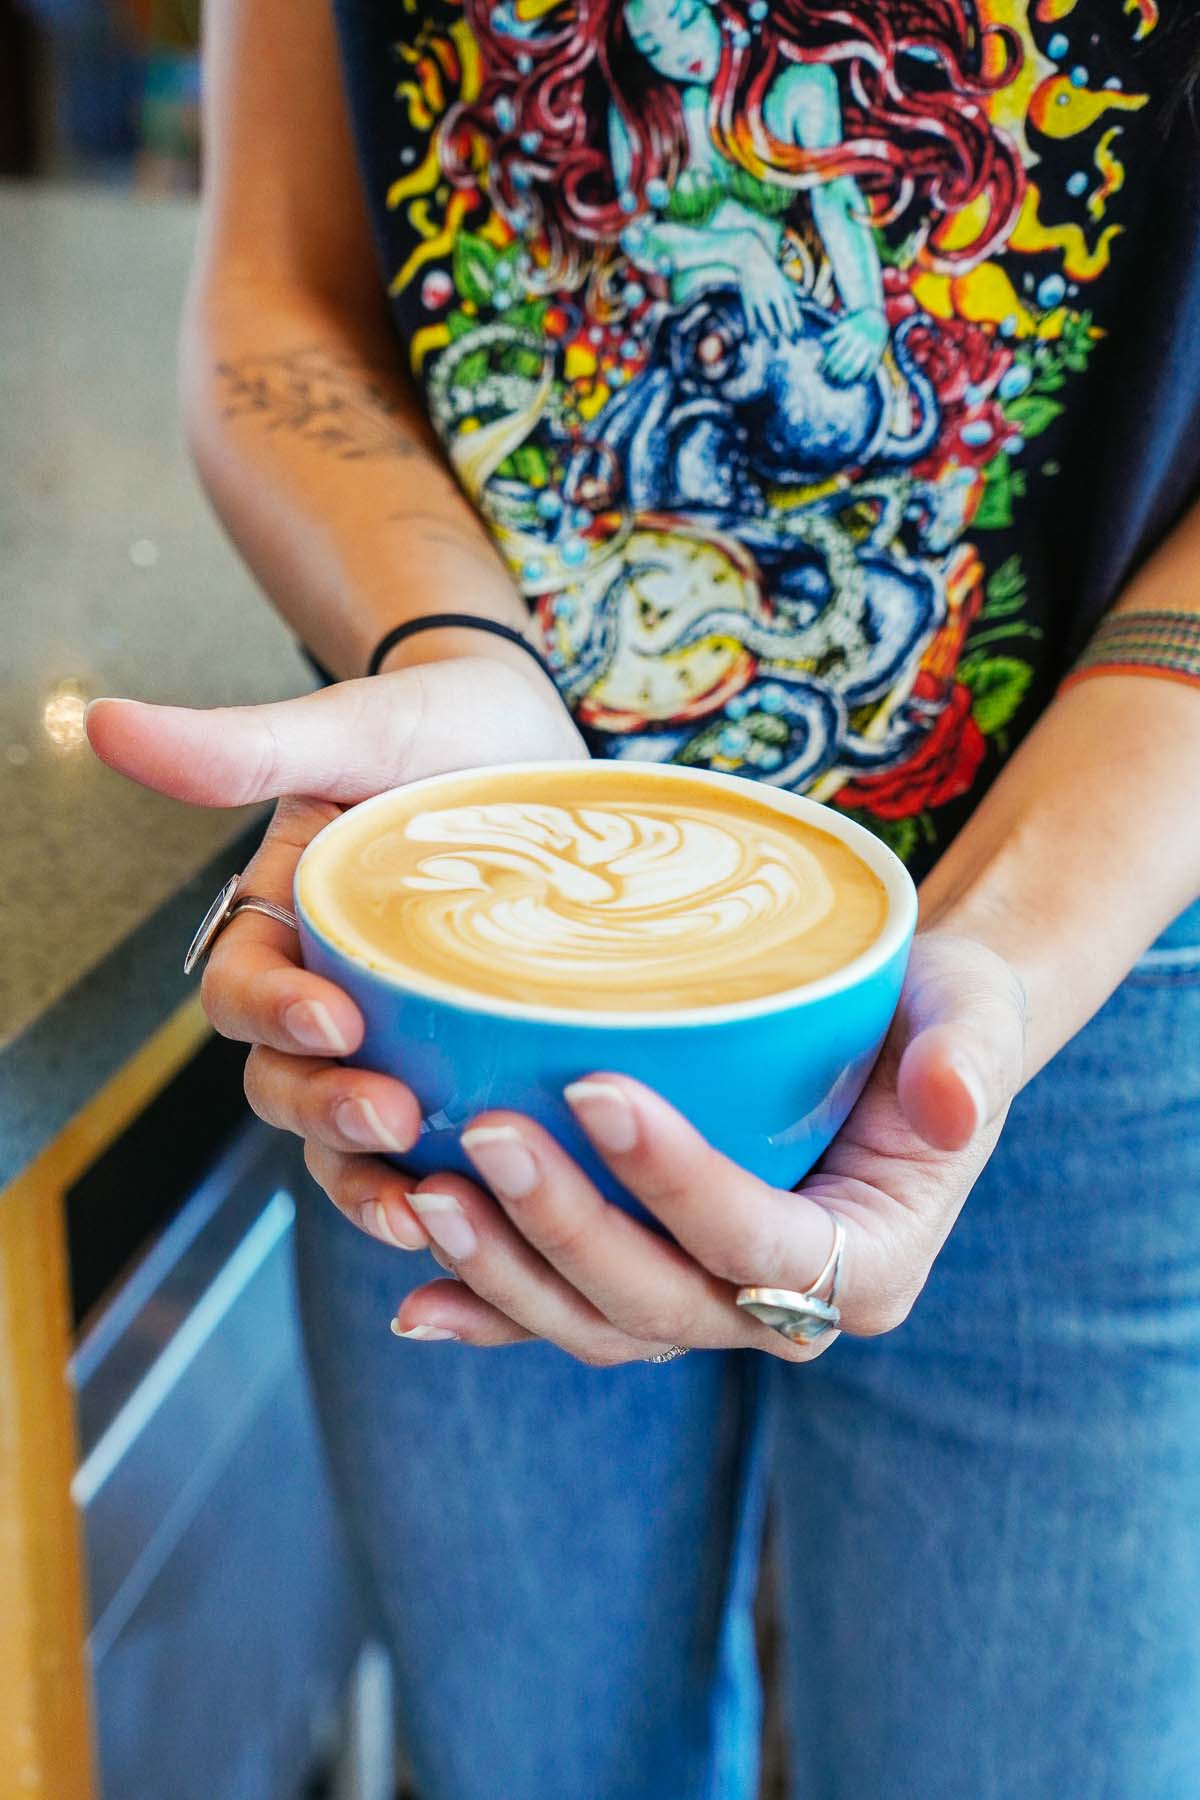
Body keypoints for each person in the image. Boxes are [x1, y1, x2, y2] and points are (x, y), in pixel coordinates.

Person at [85, 0, 1200, 1791]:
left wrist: (1003, 960)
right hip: (461, 965)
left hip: (1109, 959)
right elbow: (282, 288)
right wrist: (450, 652)